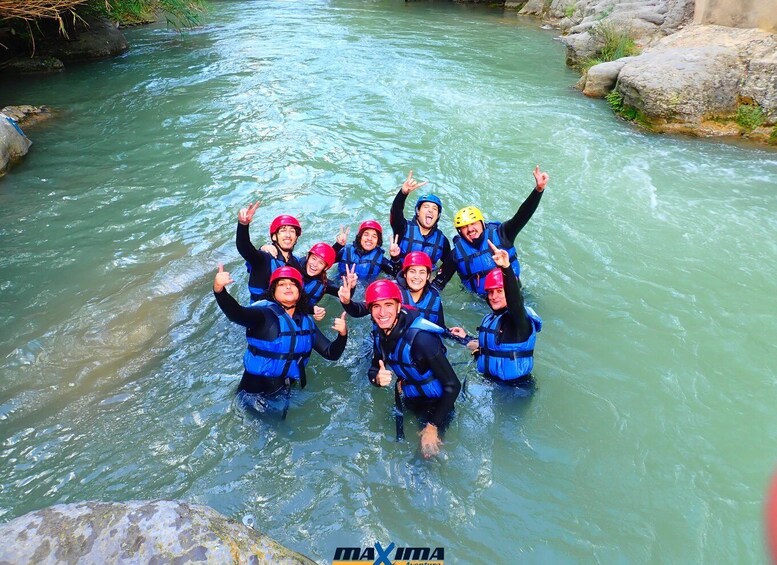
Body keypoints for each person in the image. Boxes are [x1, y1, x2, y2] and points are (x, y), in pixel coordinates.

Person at [213, 264, 347, 418]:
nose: (288, 287)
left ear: (300, 291)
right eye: (282, 284)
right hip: (252, 394)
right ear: (273, 292)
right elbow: (236, 314)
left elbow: (331, 353)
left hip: (284, 391)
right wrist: (219, 291)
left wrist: (342, 335)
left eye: (293, 284)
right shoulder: (264, 315)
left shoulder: (306, 322)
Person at [366, 279, 461, 458]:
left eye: (388, 305)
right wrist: (377, 379)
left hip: (437, 403)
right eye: (376, 306)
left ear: (398, 307)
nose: (382, 312)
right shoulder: (380, 336)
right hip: (411, 397)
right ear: (370, 310)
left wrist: (432, 427)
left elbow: (453, 386)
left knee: (425, 456)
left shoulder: (422, 340)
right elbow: (373, 369)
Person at [433, 165, 549, 296]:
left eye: (474, 224)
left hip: (515, 295)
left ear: (483, 224)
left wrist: (538, 190)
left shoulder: (503, 234)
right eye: (464, 227)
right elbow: (438, 284)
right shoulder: (455, 256)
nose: (470, 229)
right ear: (459, 232)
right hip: (483, 303)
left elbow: (522, 215)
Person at [451, 241, 541, 391]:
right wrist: (465, 338)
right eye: (491, 292)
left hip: (517, 389)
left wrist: (506, 268)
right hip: (490, 383)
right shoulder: (490, 319)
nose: (493, 296)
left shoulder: (519, 321)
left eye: (500, 291)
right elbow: (488, 348)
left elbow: (516, 301)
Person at [236, 200, 303, 302]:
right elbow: (244, 248)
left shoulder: (296, 262)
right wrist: (243, 225)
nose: (288, 235)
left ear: (296, 238)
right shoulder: (264, 259)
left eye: (292, 231)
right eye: (283, 230)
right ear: (274, 237)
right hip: (262, 314)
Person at [389, 170, 450, 267]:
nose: (430, 210)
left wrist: (436, 280)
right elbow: (395, 211)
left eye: (434, 209)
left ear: (438, 216)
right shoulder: (402, 227)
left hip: (424, 279)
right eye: (426, 207)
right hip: (398, 274)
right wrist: (403, 193)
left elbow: (449, 265)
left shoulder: (442, 241)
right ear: (418, 211)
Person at [333, 220, 398, 283]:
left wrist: (395, 258)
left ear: (378, 241)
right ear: (360, 237)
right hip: (340, 288)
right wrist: (338, 245)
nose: (369, 239)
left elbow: (397, 274)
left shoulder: (380, 259)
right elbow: (326, 261)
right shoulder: (345, 251)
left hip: (363, 291)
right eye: (366, 235)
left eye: (374, 236)